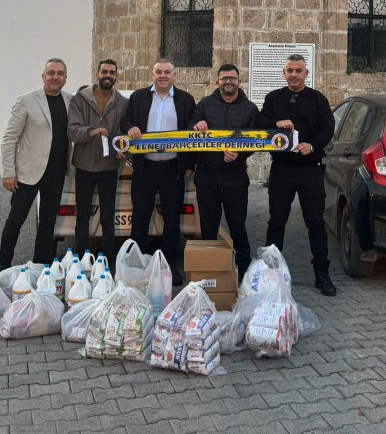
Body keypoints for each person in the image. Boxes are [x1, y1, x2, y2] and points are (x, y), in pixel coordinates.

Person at [259, 54, 338, 296]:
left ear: (306, 73)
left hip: (309, 170)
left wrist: (312, 145)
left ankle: (322, 274)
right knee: (276, 222)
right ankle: (271, 274)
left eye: (299, 70)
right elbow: (260, 122)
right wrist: (275, 123)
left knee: (315, 223)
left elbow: (328, 129)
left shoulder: (317, 99)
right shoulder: (273, 98)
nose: (294, 74)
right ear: (284, 73)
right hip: (281, 169)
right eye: (290, 70)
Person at [120, 58, 196, 285]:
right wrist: (130, 127)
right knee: (140, 218)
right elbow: (125, 121)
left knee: (172, 219)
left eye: (167, 72)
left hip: (173, 168)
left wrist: (189, 164)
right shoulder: (138, 97)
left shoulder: (185, 99)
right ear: (152, 74)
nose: (163, 75)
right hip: (145, 168)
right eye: (158, 72)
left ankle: (170, 265)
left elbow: (192, 133)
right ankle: (137, 265)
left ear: (174, 75)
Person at [0, 58, 73, 269]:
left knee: (48, 223)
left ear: (65, 78)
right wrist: (8, 172)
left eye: (60, 74)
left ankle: (40, 266)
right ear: (43, 76)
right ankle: (3, 266)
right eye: (51, 73)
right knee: (15, 221)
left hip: (56, 173)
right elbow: (9, 139)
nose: (55, 77)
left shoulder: (70, 100)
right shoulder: (26, 100)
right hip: (27, 172)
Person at [188, 63, 258, 277]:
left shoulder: (250, 109)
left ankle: (244, 269)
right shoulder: (205, 104)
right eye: (224, 78)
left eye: (232, 78)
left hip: (235, 176)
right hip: (207, 175)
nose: (228, 81)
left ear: (239, 81)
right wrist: (197, 126)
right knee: (208, 227)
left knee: (238, 225)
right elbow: (189, 129)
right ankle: (210, 270)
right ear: (217, 81)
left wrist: (239, 154)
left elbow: (255, 141)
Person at [67, 58, 128, 265]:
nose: (108, 76)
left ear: (116, 76)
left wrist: (122, 149)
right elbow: (72, 131)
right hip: (84, 166)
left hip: (109, 167)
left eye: (112, 72)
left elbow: (124, 133)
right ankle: (82, 259)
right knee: (82, 216)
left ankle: (108, 260)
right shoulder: (79, 99)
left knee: (108, 216)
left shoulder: (122, 103)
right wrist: (91, 131)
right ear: (97, 74)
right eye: (104, 72)